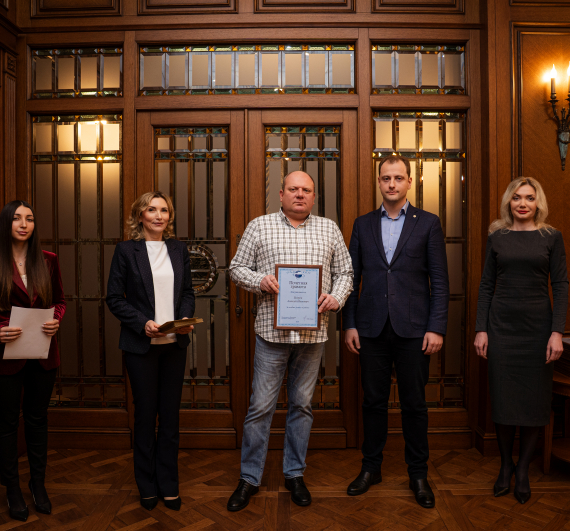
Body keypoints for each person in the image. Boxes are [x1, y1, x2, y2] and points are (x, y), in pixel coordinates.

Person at [226, 171, 353, 511]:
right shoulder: (259, 226)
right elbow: (236, 268)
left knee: (301, 405)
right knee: (260, 407)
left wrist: (336, 297)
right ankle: (249, 478)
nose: (300, 194)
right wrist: (260, 281)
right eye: (293, 189)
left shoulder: (329, 229)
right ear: (281, 194)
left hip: (313, 335)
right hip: (272, 334)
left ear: (313, 196)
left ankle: (294, 474)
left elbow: (345, 272)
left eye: (306, 190)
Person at [342, 157, 449, 508]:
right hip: (370, 329)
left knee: (414, 404)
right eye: (386, 178)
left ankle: (418, 474)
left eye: (398, 178)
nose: (392, 184)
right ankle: (371, 468)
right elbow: (351, 279)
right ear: (379, 181)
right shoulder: (362, 224)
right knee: (372, 402)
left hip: (414, 330)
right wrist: (350, 323)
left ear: (409, 182)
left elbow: (440, 281)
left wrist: (436, 327)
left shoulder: (428, 223)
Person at [0, 200, 65, 522]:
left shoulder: (48, 260)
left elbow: (60, 301)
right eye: (17, 218)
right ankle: (12, 488)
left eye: (30, 219)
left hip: (43, 354)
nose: (24, 224)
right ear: (6, 223)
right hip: (3, 357)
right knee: (7, 424)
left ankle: (38, 484)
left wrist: (56, 320)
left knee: (37, 420)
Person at [474, 176, 568, 504]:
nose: (523, 203)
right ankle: (506, 465)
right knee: (504, 400)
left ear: (538, 203)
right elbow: (486, 285)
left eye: (529, 197)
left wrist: (557, 332)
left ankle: (523, 468)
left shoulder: (551, 237)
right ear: (509, 203)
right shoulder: (497, 237)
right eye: (517, 198)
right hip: (501, 329)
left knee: (532, 402)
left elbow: (561, 285)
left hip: (538, 331)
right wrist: (481, 329)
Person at [106, 191, 195, 512]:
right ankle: (146, 484)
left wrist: (184, 319)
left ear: (169, 216)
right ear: (140, 215)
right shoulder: (126, 251)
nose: (159, 216)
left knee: (170, 417)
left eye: (164, 210)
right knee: (145, 415)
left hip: (174, 346)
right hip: (140, 346)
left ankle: (168, 484)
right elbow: (114, 298)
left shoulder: (178, 249)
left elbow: (188, 292)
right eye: (152, 210)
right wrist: (142, 322)